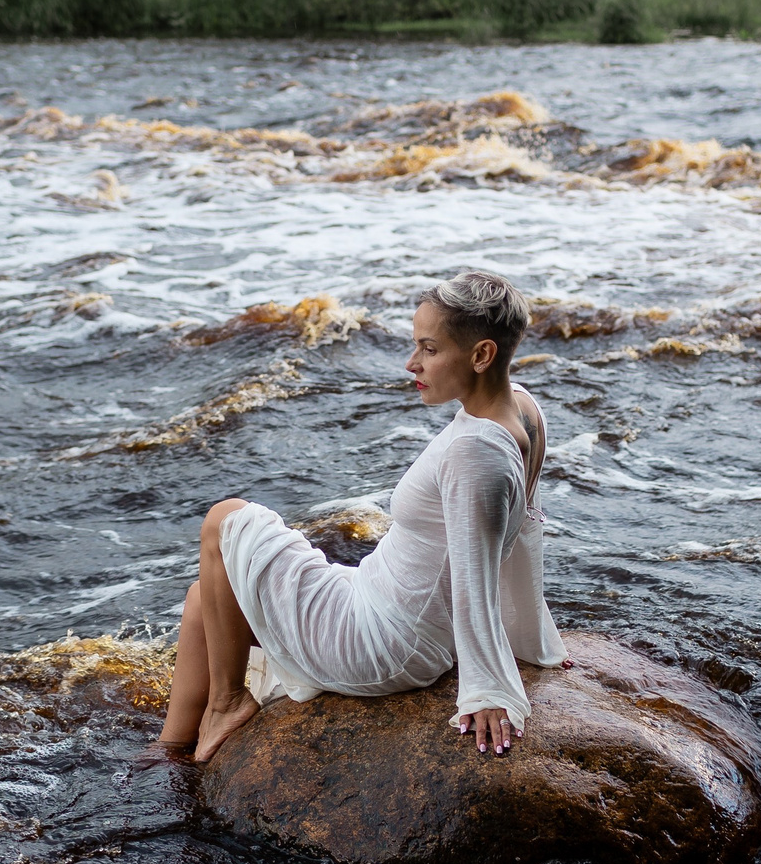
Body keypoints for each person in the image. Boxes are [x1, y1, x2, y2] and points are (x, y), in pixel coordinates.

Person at [160, 270, 566, 762]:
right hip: (388, 606)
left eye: (430, 350)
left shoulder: (475, 451)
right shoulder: (522, 408)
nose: (411, 363)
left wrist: (488, 688)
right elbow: (524, 536)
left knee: (224, 520)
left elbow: (473, 574)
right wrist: (535, 640)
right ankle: (172, 752)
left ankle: (226, 702)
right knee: (207, 596)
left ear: (482, 355)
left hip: (382, 640)